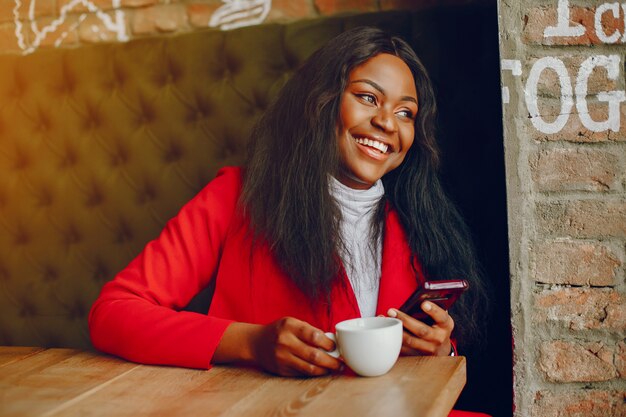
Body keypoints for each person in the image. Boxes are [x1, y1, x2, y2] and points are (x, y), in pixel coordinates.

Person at [89, 26, 489, 415]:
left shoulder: (418, 221)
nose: (388, 122)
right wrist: (250, 342)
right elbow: (114, 313)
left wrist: (441, 350)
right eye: (368, 97)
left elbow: (429, 372)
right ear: (320, 101)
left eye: (406, 112)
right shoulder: (235, 197)